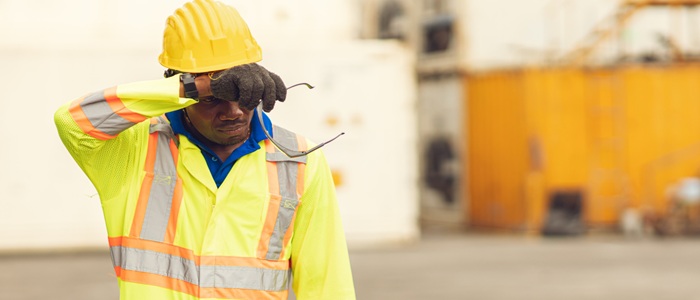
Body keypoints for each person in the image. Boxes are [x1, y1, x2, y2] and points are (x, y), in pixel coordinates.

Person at [53, 0, 356, 299]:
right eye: (214, 99)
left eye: (240, 92)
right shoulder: (133, 148)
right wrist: (195, 88)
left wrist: (207, 90)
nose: (233, 111)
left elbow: (327, 285)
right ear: (178, 88)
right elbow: (71, 121)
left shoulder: (300, 161)